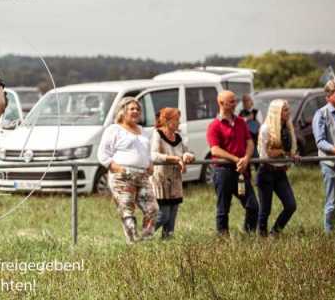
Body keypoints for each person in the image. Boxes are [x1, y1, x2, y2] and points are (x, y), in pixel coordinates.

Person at [97, 97, 158, 244]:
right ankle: (133, 243)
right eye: (132, 109)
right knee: (127, 211)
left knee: (152, 209)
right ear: (123, 111)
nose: (136, 111)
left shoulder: (143, 131)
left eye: (138, 109)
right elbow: (103, 154)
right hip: (122, 176)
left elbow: (146, 151)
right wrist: (116, 167)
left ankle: (146, 240)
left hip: (142, 175)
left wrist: (150, 163)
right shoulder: (114, 129)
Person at [206, 90, 260, 236]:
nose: (235, 104)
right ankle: (223, 240)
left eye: (235, 101)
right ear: (221, 103)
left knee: (253, 205)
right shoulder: (214, 126)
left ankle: (248, 236)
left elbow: (250, 142)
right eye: (231, 101)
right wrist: (237, 159)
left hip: (241, 170)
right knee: (223, 208)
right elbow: (215, 150)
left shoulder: (241, 122)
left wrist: (246, 158)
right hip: (223, 171)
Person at [150, 108, 195, 239]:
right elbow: (153, 155)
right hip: (161, 181)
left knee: (171, 220)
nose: (179, 123)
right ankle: (143, 236)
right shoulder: (157, 134)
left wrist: (188, 156)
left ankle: (166, 245)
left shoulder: (179, 137)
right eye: (176, 120)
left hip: (175, 181)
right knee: (163, 215)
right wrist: (174, 158)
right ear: (167, 121)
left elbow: (187, 152)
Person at [256, 99, 299, 236]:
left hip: (280, 173)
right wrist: (281, 153)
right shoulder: (265, 129)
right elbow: (263, 156)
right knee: (265, 210)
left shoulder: (287, 127)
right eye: (285, 110)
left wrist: (292, 156)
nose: (289, 112)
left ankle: (274, 233)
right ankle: (261, 239)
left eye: (288, 109)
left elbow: (287, 151)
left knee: (291, 205)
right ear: (276, 112)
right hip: (266, 172)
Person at [312, 79, 335, 232]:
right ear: (328, 97)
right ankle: (330, 235)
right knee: (332, 202)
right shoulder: (321, 114)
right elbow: (320, 142)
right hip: (331, 164)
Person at [239, 94, 261, 161]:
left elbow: (261, 125)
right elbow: (239, 123)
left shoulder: (256, 112)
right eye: (244, 101)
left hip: (255, 140)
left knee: (257, 160)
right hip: (244, 141)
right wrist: (247, 119)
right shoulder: (241, 113)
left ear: (251, 101)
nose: (245, 103)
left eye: (247, 100)